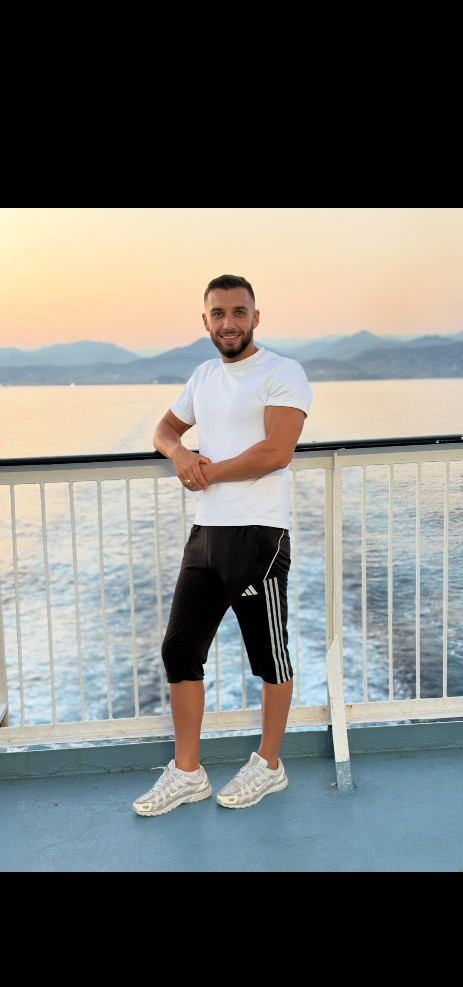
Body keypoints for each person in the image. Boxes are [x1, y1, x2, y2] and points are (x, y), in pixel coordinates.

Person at [133, 274, 313, 816]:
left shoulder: (282, 372)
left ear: (256, 317)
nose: (228, 323)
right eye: (218, 313)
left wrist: (206, 472)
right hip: (206, 534)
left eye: (238, 312)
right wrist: (180, 455)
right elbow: (164, 430)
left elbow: (276, 452)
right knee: (179, 651)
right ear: (206, 321)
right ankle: (188, 773)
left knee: (269, 656)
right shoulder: (204, 375)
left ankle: (269, 765)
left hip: (258, 535)